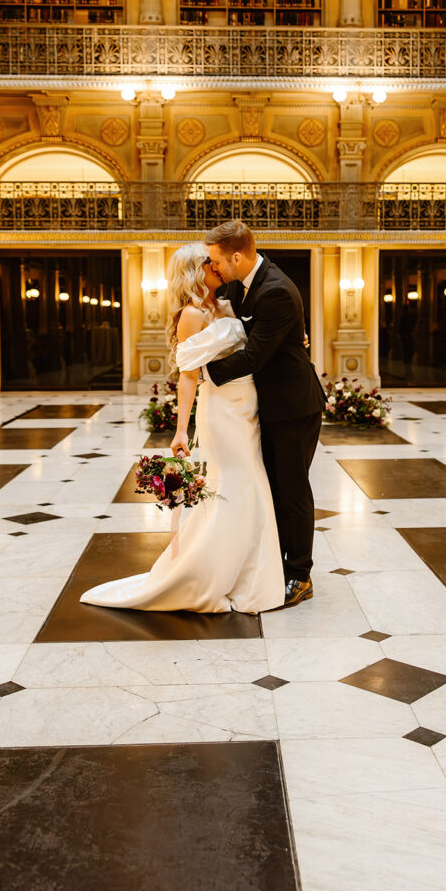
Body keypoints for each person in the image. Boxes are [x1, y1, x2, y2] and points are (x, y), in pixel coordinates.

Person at [80, 242, 285, 614]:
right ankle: (209, 574)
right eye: (210, 263)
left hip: (247, 408)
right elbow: (188, 377)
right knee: (236, 487)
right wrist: (180, 431)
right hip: (221, 411)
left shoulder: (226, 303)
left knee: (252, 486)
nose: (218, 267)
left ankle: (245, 572)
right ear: (195, 271)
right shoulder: (191, 314)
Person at [202, 221, 326, 608]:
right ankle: (276, 564)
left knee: (292, 490)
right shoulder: (244, 285)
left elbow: (256, 355)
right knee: (271, 486)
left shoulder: (275, 290)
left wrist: (200, 372)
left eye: (216, 260)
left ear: (236, 256)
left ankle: (300, 576)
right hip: (270, 403)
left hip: (293, 406)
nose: (214, 267)